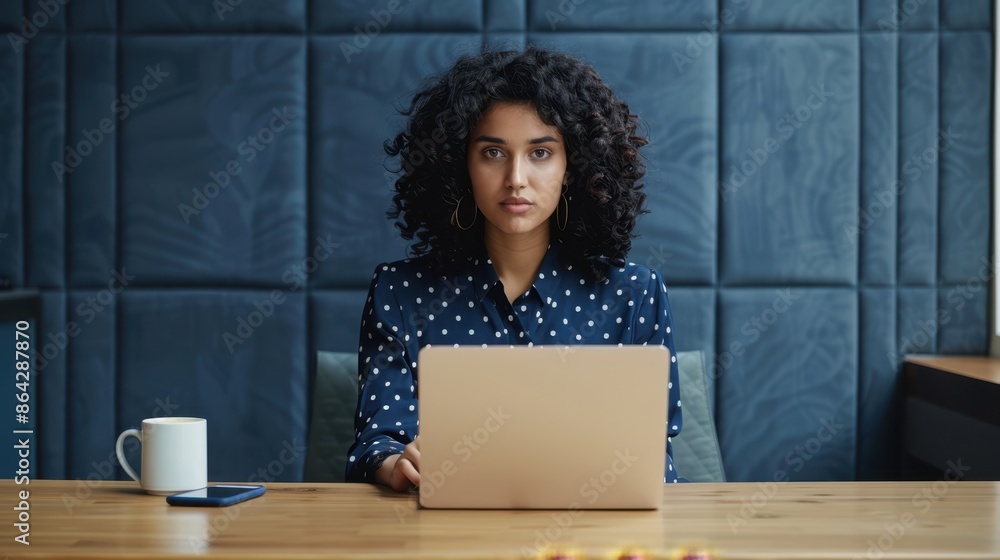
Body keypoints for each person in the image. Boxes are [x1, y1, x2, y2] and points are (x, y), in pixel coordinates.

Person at [345, 45, 683, 489]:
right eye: (492, 153)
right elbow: (375, 445)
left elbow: (655, 460)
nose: (516, 178)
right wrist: (396, 466)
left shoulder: (635, 295)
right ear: (460, 165)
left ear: (572, 168)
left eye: (540, 153)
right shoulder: (401, 292)